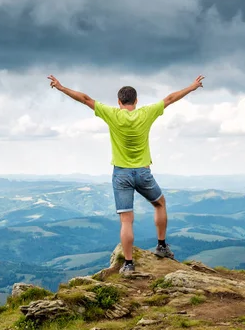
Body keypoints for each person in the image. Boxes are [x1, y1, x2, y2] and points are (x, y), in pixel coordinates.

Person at [47, 74, 205, 274]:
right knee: (160, 203)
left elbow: (85, 99)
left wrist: (61, 88)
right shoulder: (147, 113)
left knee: (126, 220)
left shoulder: (112, 114)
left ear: (119, 102)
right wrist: (192, 86)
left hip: (121, 173)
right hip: (143, 172)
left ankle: (129, 264)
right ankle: (162, 246)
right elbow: (170, 98)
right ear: (136, 101)